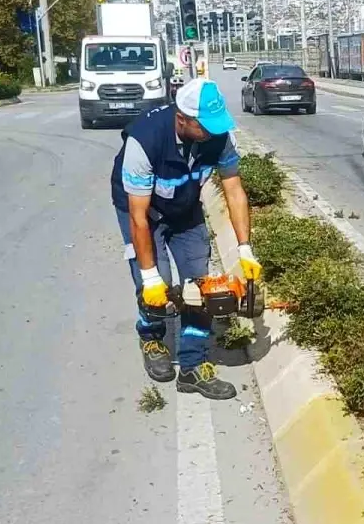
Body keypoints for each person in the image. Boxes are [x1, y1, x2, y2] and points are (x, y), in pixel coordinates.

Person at [110, 78, 262, 400]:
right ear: (182, 119)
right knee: (158, 285)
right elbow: (138, 217)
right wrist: (150, 277)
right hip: (142, 209)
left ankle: (192, 366)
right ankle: (152, 337)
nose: (213, 132)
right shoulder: (144, 140)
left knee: (202, 287)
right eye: (205, 126)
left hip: (185, 206)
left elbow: (234, 190)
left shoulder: (219, 137)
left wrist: (245, 249)